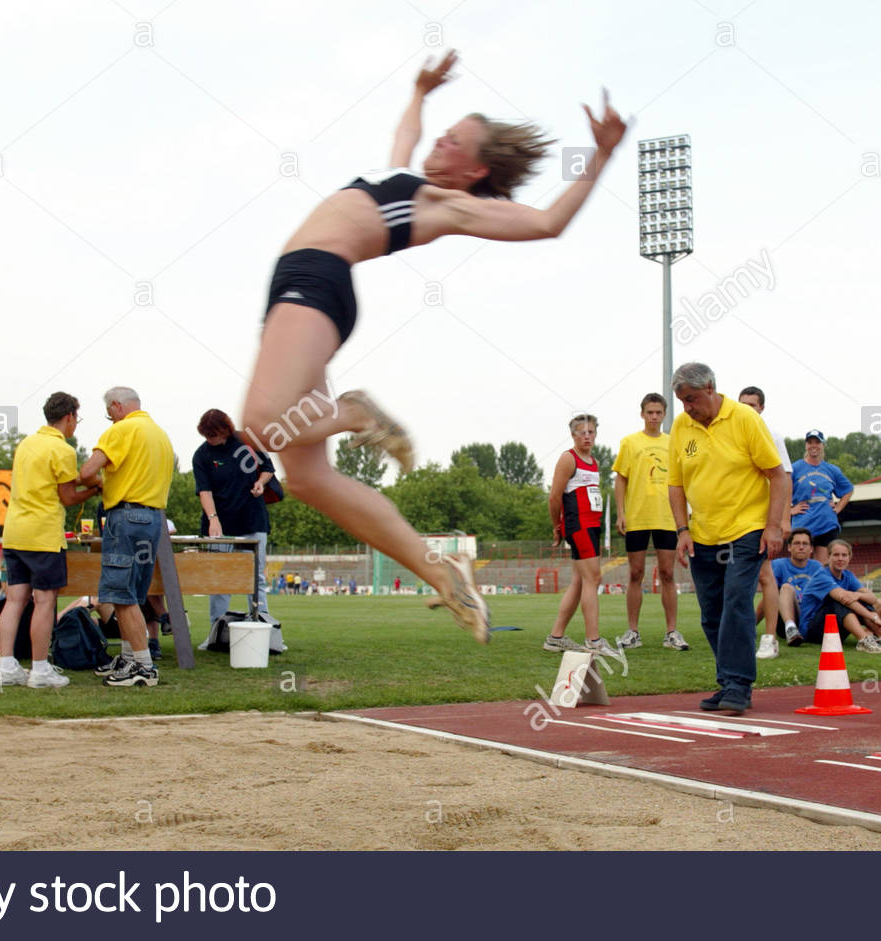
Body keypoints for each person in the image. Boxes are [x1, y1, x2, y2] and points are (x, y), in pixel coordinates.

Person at [238, 50, 628, 645]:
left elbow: (547, 222)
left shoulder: (448, 203)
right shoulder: (408, 185)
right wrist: (420, 92)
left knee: (263, 428)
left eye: (453, 142)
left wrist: (600, 156)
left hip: (314, 279)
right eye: (444, 134)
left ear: (473, 172)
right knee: (310, 480)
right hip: (307, 287)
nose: (439, 143)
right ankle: (443, 575)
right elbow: (405, 137)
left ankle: (355, 413)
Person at [668, 364, 790, 714]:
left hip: (746, 529)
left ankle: (738, 684)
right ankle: (727, 681)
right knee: (711, 612)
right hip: (703, 533)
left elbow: (777, 476)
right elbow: (675, 484)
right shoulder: (681, 426)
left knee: (737, 601)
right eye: (682, 401)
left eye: (691, 399)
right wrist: (682, 530)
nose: (687, 407)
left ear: (709, 387)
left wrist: (773, 526)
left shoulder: (746, 420)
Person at [0, 393, 101, 689]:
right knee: (45, 601)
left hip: (14, 531)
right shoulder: (62, 449)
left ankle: (8, 666)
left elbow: (51, 482)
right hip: (42, 535)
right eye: (76, 418)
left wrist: (79, 481)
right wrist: (96, 489)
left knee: (14, 600)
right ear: (69, 417)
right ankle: (40, 669)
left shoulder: (26, 444)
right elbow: (67, 497)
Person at [78, 386, 174, 688]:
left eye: (110, 415)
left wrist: (97, 484)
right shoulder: (160, 434)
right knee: (134, 592)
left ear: (117, 406)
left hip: (126, 517)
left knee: (120, 594)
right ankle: (130, 657)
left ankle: (143, 667)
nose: (111, 420)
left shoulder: (120, 431)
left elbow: (86, 471)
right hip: (153, 519)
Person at [612, 393, 688, 652]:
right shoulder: (630, 442)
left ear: (665, 414)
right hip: (638, 517)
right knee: (636, 574)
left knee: (667, 574)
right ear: (642, 414)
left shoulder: (673, 443)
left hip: (666, 517)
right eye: (650, 412)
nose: (654, 417)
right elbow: (620, 478)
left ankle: (672, 632)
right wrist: (620, 512)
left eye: (658, 412)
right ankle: (633, 631)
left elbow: (682, 480)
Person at [193, 408, 276, 637]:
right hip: (220, 526)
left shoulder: (247, 441)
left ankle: (263, 631)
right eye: (207, 436)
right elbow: (204, 491)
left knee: (256, 578)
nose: (211, 440)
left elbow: (268, 469)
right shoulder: (202, 455)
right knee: (220, 580)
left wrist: (261, 482)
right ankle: (217, 634)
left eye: (214, 435)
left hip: (253, 520)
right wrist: (213, 519)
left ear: (225, 430)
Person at [542, 415, 617, 656]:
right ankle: (593, 640)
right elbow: (554, 497)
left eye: (591, 432)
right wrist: (557, 527)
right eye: (582, 432)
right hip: (578, 526)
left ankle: (556, 637)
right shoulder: (568, 459)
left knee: (579, 581)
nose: (587, 436)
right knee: (593, 578)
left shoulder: (593, 462)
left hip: (593, 525)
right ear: (573, 435)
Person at [736, 386, 793, 659]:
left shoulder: (771, 435)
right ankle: (741, 633)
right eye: (742, 404)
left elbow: (786, 477)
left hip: (763, 516)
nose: (747, 409)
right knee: (739, 577)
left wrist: (783, 519)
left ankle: (769, 637)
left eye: (752, 405)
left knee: (764, 574)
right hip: (736, 516)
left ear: (761, 408)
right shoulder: (732, 433)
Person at [796, 539, 881, 653]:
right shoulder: (822, 575)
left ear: (849, 558)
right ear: (829, 557)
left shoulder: (848, 575)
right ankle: (864, 639)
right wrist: (874, 617)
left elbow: (872, 598)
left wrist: (856, 594)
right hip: (812, 631)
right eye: (836, 555)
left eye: (844, 555)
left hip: (835, 631)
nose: (840, 558)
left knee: (862, 600)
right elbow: (843, 597)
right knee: (838, 601)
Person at [790, 430, 853, 564]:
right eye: (810, 442)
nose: (814, 445)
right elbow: (780, 491)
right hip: (803, 524)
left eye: (817, 442)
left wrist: (838, 507)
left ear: (823, 445)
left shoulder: (832, 470)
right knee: (801, 564)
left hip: (826, 523)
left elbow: (848, 489)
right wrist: (790, 510)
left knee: (822, 567)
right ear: (806, 445)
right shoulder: (795, 468)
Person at [760, 528, 823, 657]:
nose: (801, 547)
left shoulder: (817, 567)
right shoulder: (779, 565)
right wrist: (750, 626)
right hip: (784, 620)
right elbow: (768, 597)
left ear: (811, 549)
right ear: (789, 547)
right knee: (785, 588)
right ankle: (791, 629)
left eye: (805, 544)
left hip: (808, 619)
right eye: (796, 543)